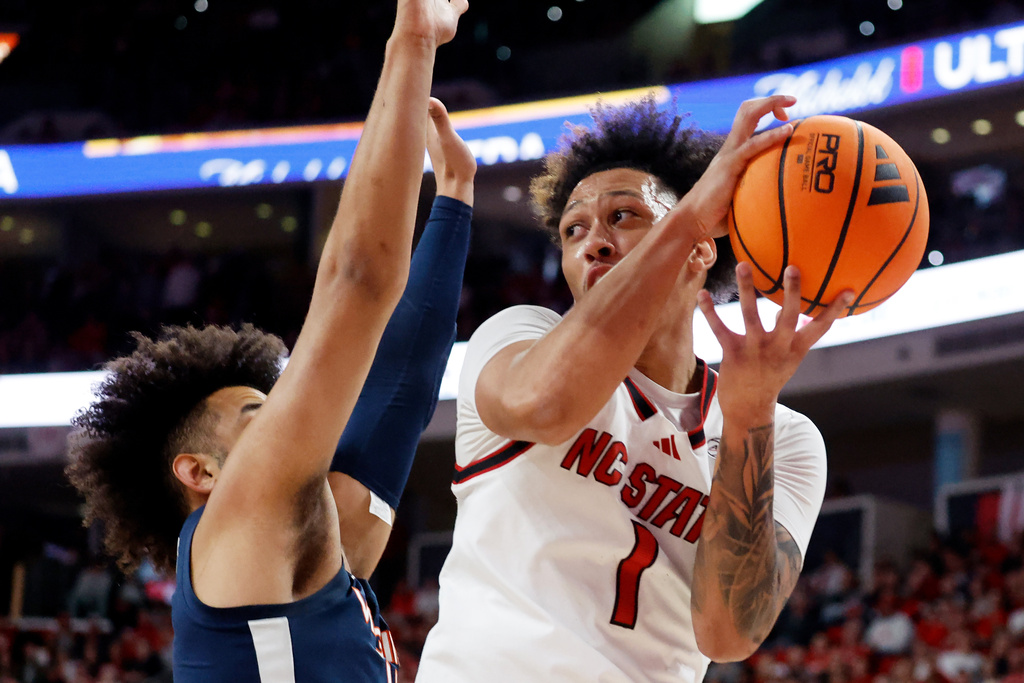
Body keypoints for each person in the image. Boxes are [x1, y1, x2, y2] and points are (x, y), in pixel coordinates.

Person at [64, 0, 471, 679]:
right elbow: (357, 281)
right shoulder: (233, 524)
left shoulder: (315, 559)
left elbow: (402, 387)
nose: (293, 419)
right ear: (201, 472)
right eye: (260, 414)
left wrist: (455, 198)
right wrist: (413, 39)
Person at [417, 95, 854, 682]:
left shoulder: (789, 437)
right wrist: (695, 209)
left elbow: (728, 634)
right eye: (574, 229)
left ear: (701, 247)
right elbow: (544, 408)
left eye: (623, 216)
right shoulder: (519, 336)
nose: (594, 240)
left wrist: (750, 414)